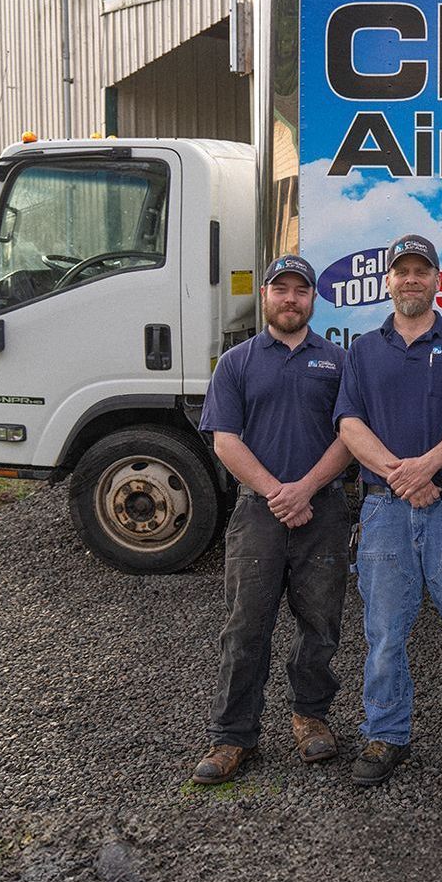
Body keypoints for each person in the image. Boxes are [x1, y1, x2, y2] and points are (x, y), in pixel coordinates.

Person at [334, 234, 442, 786]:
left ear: (437, 279)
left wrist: (427, 467)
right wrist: (401, 475)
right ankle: (385, 733)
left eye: (421, 270)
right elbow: (349, 423)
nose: (411, 279)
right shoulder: (363, 349)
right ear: (388, 281)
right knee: (385, 632)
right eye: (402, 271)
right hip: (385, 511)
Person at [192, 254, 352, 784]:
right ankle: (232, 736)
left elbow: (350, 435)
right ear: (264, 295)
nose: (290, 299)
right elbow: (225, 440)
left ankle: (310, 717)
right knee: (245, 628)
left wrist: (305, 490)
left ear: (313, 299)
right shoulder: (235, 363)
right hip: (258, 514)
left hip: (323, 511)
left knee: (321, 624)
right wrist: (277, 493)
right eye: (280, 289)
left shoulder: (337, 361)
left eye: (300, 290)